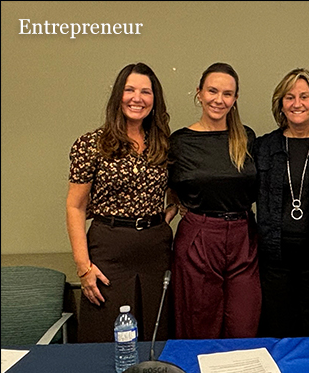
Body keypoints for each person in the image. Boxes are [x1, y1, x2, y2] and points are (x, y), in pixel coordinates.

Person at [64, 63, 174, 343]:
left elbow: (176, 194)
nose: (137, 98)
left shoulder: (163, 144)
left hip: (155, 254)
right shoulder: (92, 144)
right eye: (130, 90)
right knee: (106, 337)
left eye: (145, 92)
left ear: (154, 99)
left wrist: (162, 221)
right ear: (118, 96)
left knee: (155, 338)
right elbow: (75, 206)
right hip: (109, 251)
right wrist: (83, 266)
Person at [168, 62, 260, 339]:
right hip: (200, 236)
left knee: (245, 325)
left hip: (244, 237)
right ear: (199, 93)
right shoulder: (180, 141)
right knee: (199, 327)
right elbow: (170, 185)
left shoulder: (246, 137)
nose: (219, 100)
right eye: (212, 91)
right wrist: (171, 211)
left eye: (227, 94)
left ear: (235, 99)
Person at [252, 68, 309, 338]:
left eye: (304, 96)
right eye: (289, 97)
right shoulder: (264, 147)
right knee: (279, 330)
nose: (297, 103)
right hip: (274, 258)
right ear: (281, 104)